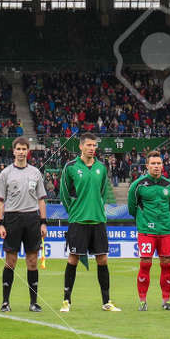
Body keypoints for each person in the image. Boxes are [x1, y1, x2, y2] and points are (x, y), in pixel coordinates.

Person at [60, 133, 120, 312]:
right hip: (78, 221)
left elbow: (102, 193)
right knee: (73, 259)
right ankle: (66, 301)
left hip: (98, 220)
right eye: (88, 145)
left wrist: (96, 209)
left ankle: (106, 301)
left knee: (102, 259)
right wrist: (76, 212)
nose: (92, 148)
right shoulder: (70, 167)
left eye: (94, 145)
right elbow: (64, 195)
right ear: (81, 147)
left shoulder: (101, 167)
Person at [0, 136, 48, 312]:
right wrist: (0, 223)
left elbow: (41, 199)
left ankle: (33, 302)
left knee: (32, 261)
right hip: (12, 218)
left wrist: (43, 222)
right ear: (13, 151)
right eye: (18, 149)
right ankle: (5, 302)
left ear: (28, 151)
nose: (21, 152)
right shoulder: (6, 173)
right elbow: (0, 200)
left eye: (24, 149)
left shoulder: (35, 172)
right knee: (11, 261)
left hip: (32, 218)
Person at [127, 149, 170, 311]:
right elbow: (132, 208)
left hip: (165, 231)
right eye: (153, 163)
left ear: (163, 165)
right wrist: (144, 221)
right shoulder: (138, 185)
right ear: (147, 166)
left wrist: (163, 220)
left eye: (159, 163)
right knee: (145, 263)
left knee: (167, 264)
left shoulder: (169, 185)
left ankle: (166, 301)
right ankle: (143, 301)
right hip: (146, 231)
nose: (156, 166)